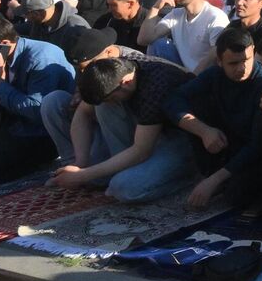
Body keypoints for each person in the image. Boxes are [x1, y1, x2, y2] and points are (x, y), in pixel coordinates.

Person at [0, 11, 76, 185]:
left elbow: (37, 110)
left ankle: (31, 161)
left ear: (3, 43)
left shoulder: (41, 58)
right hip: (15, 122)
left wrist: (0, 85)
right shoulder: (0, 56)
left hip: (41, 132)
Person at [49, 55, 197, 202]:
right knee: (103, 106)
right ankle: (116, 170)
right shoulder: (118, 69)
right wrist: (80, 164)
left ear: (126, 82)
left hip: (183, 137)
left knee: (122, 188)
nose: (111, 102)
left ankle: (190, 174)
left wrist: (82, 175)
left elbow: (141, 151)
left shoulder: (156, 85)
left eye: (111, 98)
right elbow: (83, 111)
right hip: (147, 131)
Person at [168, 27, 262, 209]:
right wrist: (204, 131)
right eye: (233, 63)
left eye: (246, 60)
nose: (241, 68)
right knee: (194, 104)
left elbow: (259, 143)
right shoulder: (214, 75)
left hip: (253, 153)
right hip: (223, 141)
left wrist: (216, 179)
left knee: (237, 195)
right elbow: (173, 100)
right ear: (219, 61)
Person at [139, 0, 227, 72]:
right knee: (158, 44)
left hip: (204, 77)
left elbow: (216, 56)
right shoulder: (176, 14)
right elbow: (144, 40)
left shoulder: (215, 17)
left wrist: (191, 81)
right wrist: (155, 8)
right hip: (183, 71)